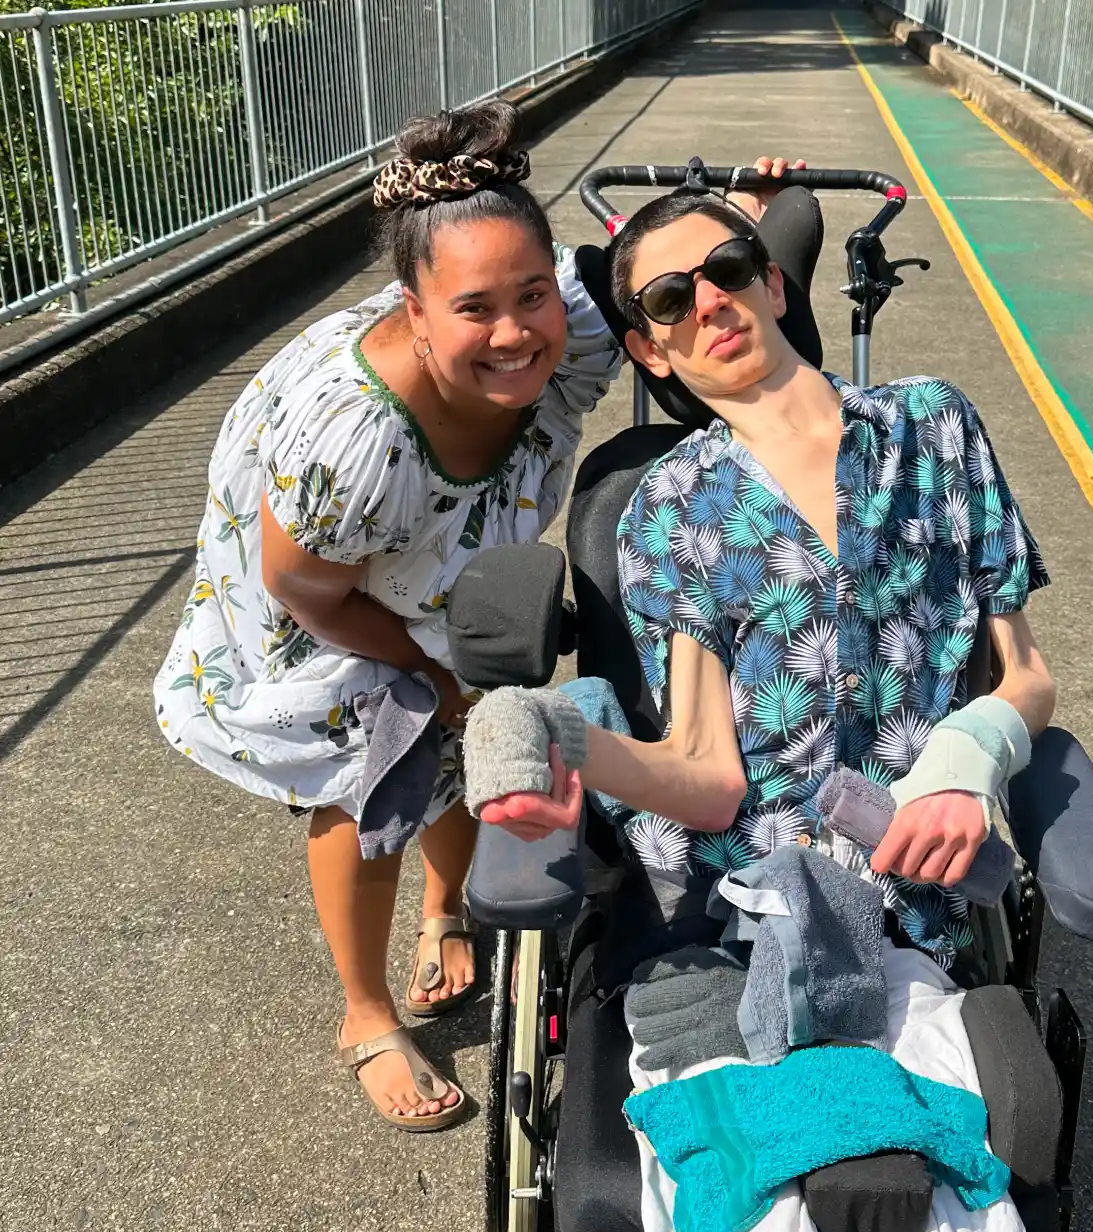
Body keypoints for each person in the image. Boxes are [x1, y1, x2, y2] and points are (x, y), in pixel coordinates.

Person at [477, 190, 1057, 1232]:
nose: (707, 303)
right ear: (646, 346)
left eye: (727, 267)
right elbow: (704, 779)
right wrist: (558, 735)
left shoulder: (932, 429)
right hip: (729, 935)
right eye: (666, 301)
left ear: (772, 281)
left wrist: (964, 759)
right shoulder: (670, 511)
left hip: (904, 922)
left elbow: (1025, 676)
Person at [154, 101, 796, 1134]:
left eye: (531, 294)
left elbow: (658, 275)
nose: (514, 332)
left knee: (465, 730)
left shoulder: (569, 319)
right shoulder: (347, 442)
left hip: (434, 552)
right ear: (414, 312)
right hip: (332, 589)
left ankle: (443, 911)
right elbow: (304, 588)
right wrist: (430, 671)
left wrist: (739, 221)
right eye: (475, 308)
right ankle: (363, 1014)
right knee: (376, 765)